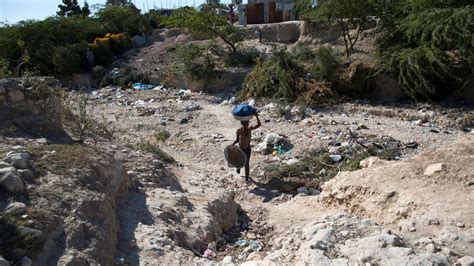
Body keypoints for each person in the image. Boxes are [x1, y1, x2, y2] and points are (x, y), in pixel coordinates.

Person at [233, 113, 262, 181]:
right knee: (240, 161)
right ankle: (238, 167)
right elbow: (237, 139)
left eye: (248, 124)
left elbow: (259, 125)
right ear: (243, 124)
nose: (248, 125)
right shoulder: (239, 131)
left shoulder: (249, 129)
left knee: (247, 163)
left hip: (247, 149)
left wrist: (257, 117)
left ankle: (246, 178)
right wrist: (233, 144)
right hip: (241, 149)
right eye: (246, 124)